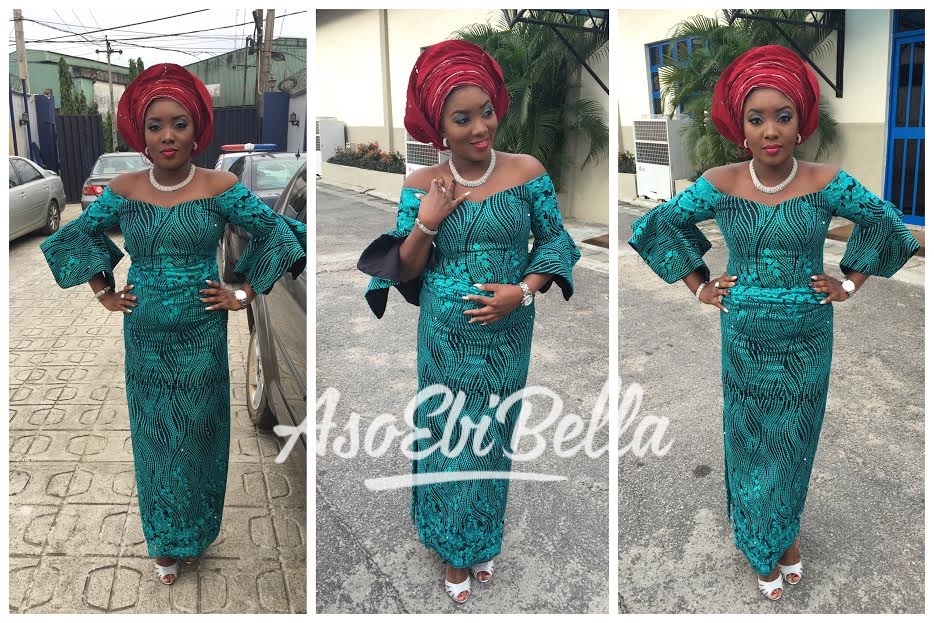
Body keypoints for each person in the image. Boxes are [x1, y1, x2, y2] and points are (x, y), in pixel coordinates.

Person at [628, 45, 919, 601]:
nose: (770, 131)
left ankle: (785, 534)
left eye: (783, 116)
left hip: (808, 338)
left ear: (801, 121)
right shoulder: (720, 181)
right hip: (744, 337)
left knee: (794, 442)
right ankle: (762, 543)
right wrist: (700, 286)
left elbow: (888, 225)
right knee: (751, 441)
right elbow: (656, 226)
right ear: (740, 127)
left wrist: (848, 283)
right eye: (756, 119)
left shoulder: (827, 180)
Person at [40, 63, 306, 586]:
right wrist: (104, 293)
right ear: (141, 134)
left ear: (196, 130)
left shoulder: (220, 185)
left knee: (200, 437)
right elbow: (75, 236)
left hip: (202, 337)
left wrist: (244, 292)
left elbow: (278, 233)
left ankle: (196, 533)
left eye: (179, 124)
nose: (168, 135)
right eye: (156, 125)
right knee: (156, 439)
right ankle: (164, 541)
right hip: (145, 339)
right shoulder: (123, 188)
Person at [357, 39, 581, 604]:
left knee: (493, 436)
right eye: (463, 119)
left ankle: (478, 535)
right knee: (449, 435)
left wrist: (523, 291)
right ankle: (454, 546)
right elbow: (406, 266)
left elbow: (555, 242)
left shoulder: (527, 172)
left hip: (508, 333)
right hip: (444, 337)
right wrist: (427, 222)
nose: (480, 127)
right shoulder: (421, 184)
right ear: (439, 127)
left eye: (486, 111)